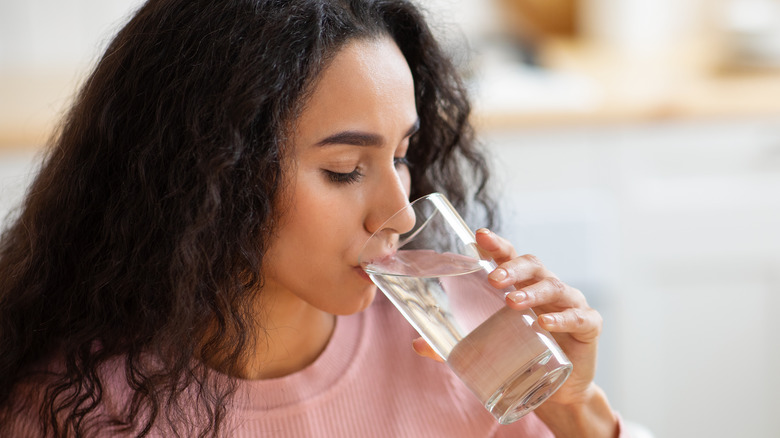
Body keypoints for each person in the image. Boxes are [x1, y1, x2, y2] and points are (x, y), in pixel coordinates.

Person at [0, 0, 624, 436]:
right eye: (346, 168)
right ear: (210, 173)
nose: (400, 215)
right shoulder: (75, 408)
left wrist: (577, 413)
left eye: (402, 156)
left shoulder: (465, 350)